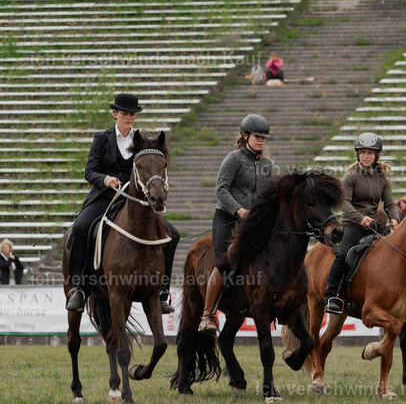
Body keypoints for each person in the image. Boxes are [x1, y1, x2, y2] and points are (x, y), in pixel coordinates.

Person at [64, 94, 179, 313]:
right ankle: (78, 287)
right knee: (80, 228)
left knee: (172, 235)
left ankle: (163, 291)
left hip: (132, 200)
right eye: (124, 113)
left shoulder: (141, 141)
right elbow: (89, 171)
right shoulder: (101, 138)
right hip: (104, 196)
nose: (129, 117)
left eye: (132, 114)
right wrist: (105, 180)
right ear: (115, 114)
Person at [198, 114, 275, 335]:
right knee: (224, 261)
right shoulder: (233, 159)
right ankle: (207, 315)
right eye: (257, 136)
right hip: (227, 217)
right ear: (245, 135)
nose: (261, 141)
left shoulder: (268, 165)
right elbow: (221, 189)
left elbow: (268, 195)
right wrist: (239, 210)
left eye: (264, 138)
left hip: (253, 221)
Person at [324, 132, 400, 315]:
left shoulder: (382, 178)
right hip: (352, 224)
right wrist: (360, 218)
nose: (366, 156)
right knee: (342, 254)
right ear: (357, 154)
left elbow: (389, 203)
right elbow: (344, 203)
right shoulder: (351, 177)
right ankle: (331, 296)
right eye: (363, 152)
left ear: (376, 156)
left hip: (374, 227)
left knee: (395, 255)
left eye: (370, 153)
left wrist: (395, 218)